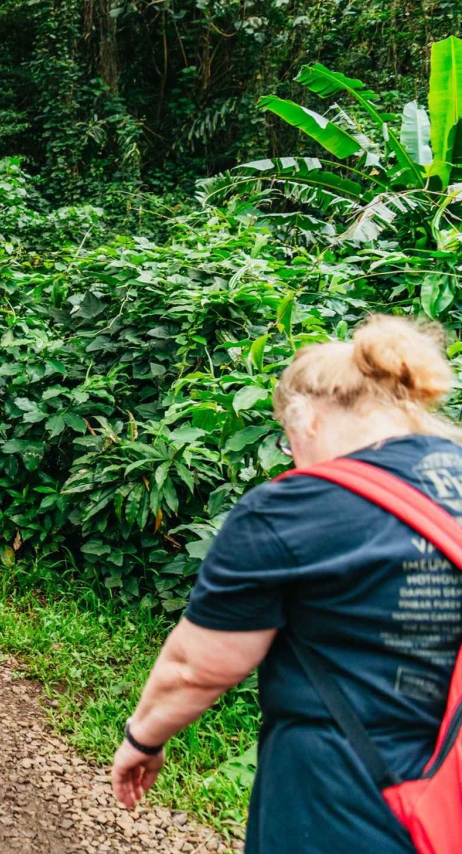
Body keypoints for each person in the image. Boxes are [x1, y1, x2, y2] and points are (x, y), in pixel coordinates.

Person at [111, 316, 462, 854]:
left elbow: (195, 667)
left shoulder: (297, 506)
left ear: (309, 419)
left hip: (343, 808)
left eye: (287, 435)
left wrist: (143, 737)